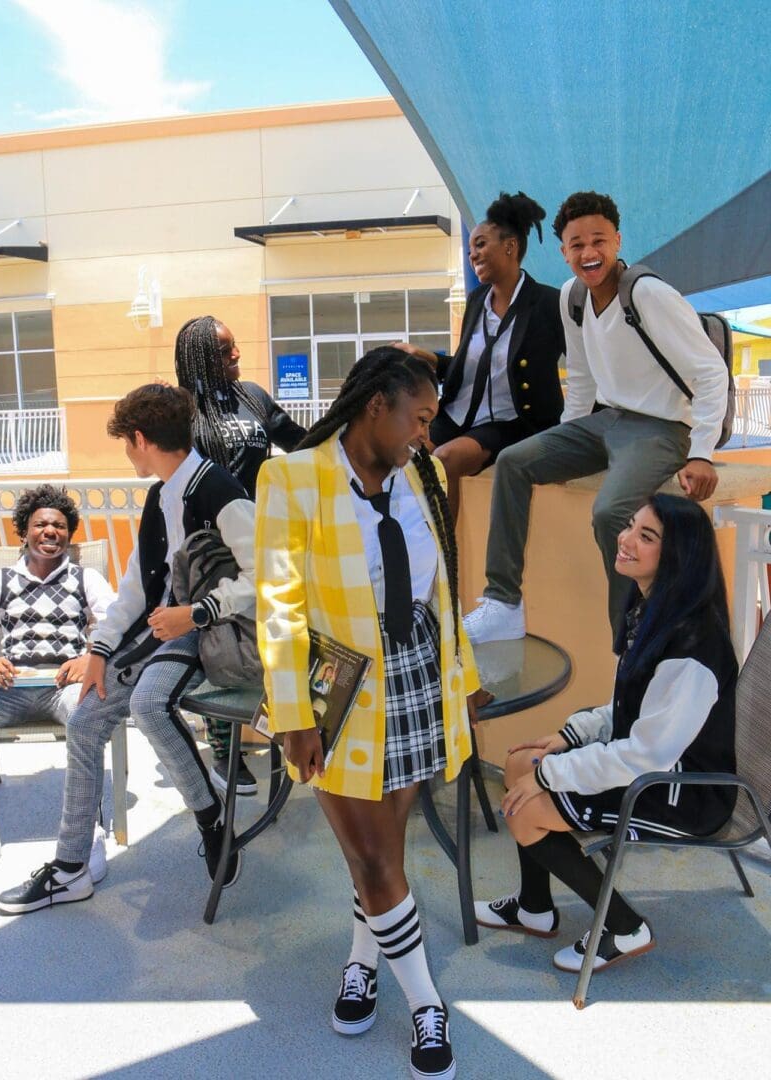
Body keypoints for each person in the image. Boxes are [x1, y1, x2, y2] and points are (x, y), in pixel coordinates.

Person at [255, 346, 488, 1080]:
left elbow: (443, 583)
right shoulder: (292, 475)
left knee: (380, 847)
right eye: (418, 418)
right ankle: (426, 1004)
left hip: (417, 672)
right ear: (373, 408)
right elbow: (279, 603)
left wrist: (465, 676)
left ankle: (363, 962)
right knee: (374, 855)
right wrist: (293, 711)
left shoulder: (420, 472)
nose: (427, 434)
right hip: (339, 690)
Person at [0, 384, 256, 914]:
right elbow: (137, 586)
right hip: (158, 633)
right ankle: (70, 870)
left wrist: (198, 611)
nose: (127, 454)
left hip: (212, 633)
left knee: (147, 704)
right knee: (85, 718)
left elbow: (271, 577)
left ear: (140, 439)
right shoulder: (161, 497)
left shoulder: (220, 490)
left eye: (126, 444)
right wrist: (99, 649)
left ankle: (210, 820)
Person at [475, 494, 736, 972]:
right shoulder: (653, 610)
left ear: (678, 557)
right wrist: (572, 736)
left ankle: (624, 926)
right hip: (650, 766)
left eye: (646, 536)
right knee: (519, 765)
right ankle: (535, 908)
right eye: (631, 526)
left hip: (682, 793)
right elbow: (629, 708)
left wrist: (552, 776)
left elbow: (646, 755)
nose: (626, 539)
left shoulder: (694, 646)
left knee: (527, 808)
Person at [462, 191, 729, 645]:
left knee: (611, 512)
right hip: (606, 421)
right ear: (564, 252)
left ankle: (631, 639)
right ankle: (502, 602)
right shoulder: (573, 298)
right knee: (513, 460)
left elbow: (710, 372)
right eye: (577, 244)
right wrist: (562, 444)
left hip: (661, 427)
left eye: (599, 241)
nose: (589, 253)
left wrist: (701, 451)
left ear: (618, 241)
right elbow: (582, 380)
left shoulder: (648, 295)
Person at [0, 484, 115, 889]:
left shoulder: (85, 578)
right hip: (8, 689)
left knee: (85, 714)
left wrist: (91, 656)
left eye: (59, 525)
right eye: (40, 524)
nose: (50, 531)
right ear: (24, 531)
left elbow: (115, 624)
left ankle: (87, 833)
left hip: (62, 687)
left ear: (69, 534)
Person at [175, 314, 306, 795]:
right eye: (224, 350)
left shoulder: (253, 396)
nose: (236, 355)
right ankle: (225, 747)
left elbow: (300, 442)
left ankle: (285, 727)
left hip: (261, 536)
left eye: (234, 346)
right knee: (226, 645)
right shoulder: (181, 410)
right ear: (198, 359)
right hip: (211, 546)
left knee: (276, 637)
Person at [397, 191, 564, 523]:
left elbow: (586, 364)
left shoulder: (548, 303)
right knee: (398, 449)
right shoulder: (476, 301)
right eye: (471, 247)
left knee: (444, 460)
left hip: (510, 425)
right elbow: (472, 369)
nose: (473, 253)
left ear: (510, 246)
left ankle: (444, 560)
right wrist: (427, 357)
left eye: (481, 244)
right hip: (456, 418)